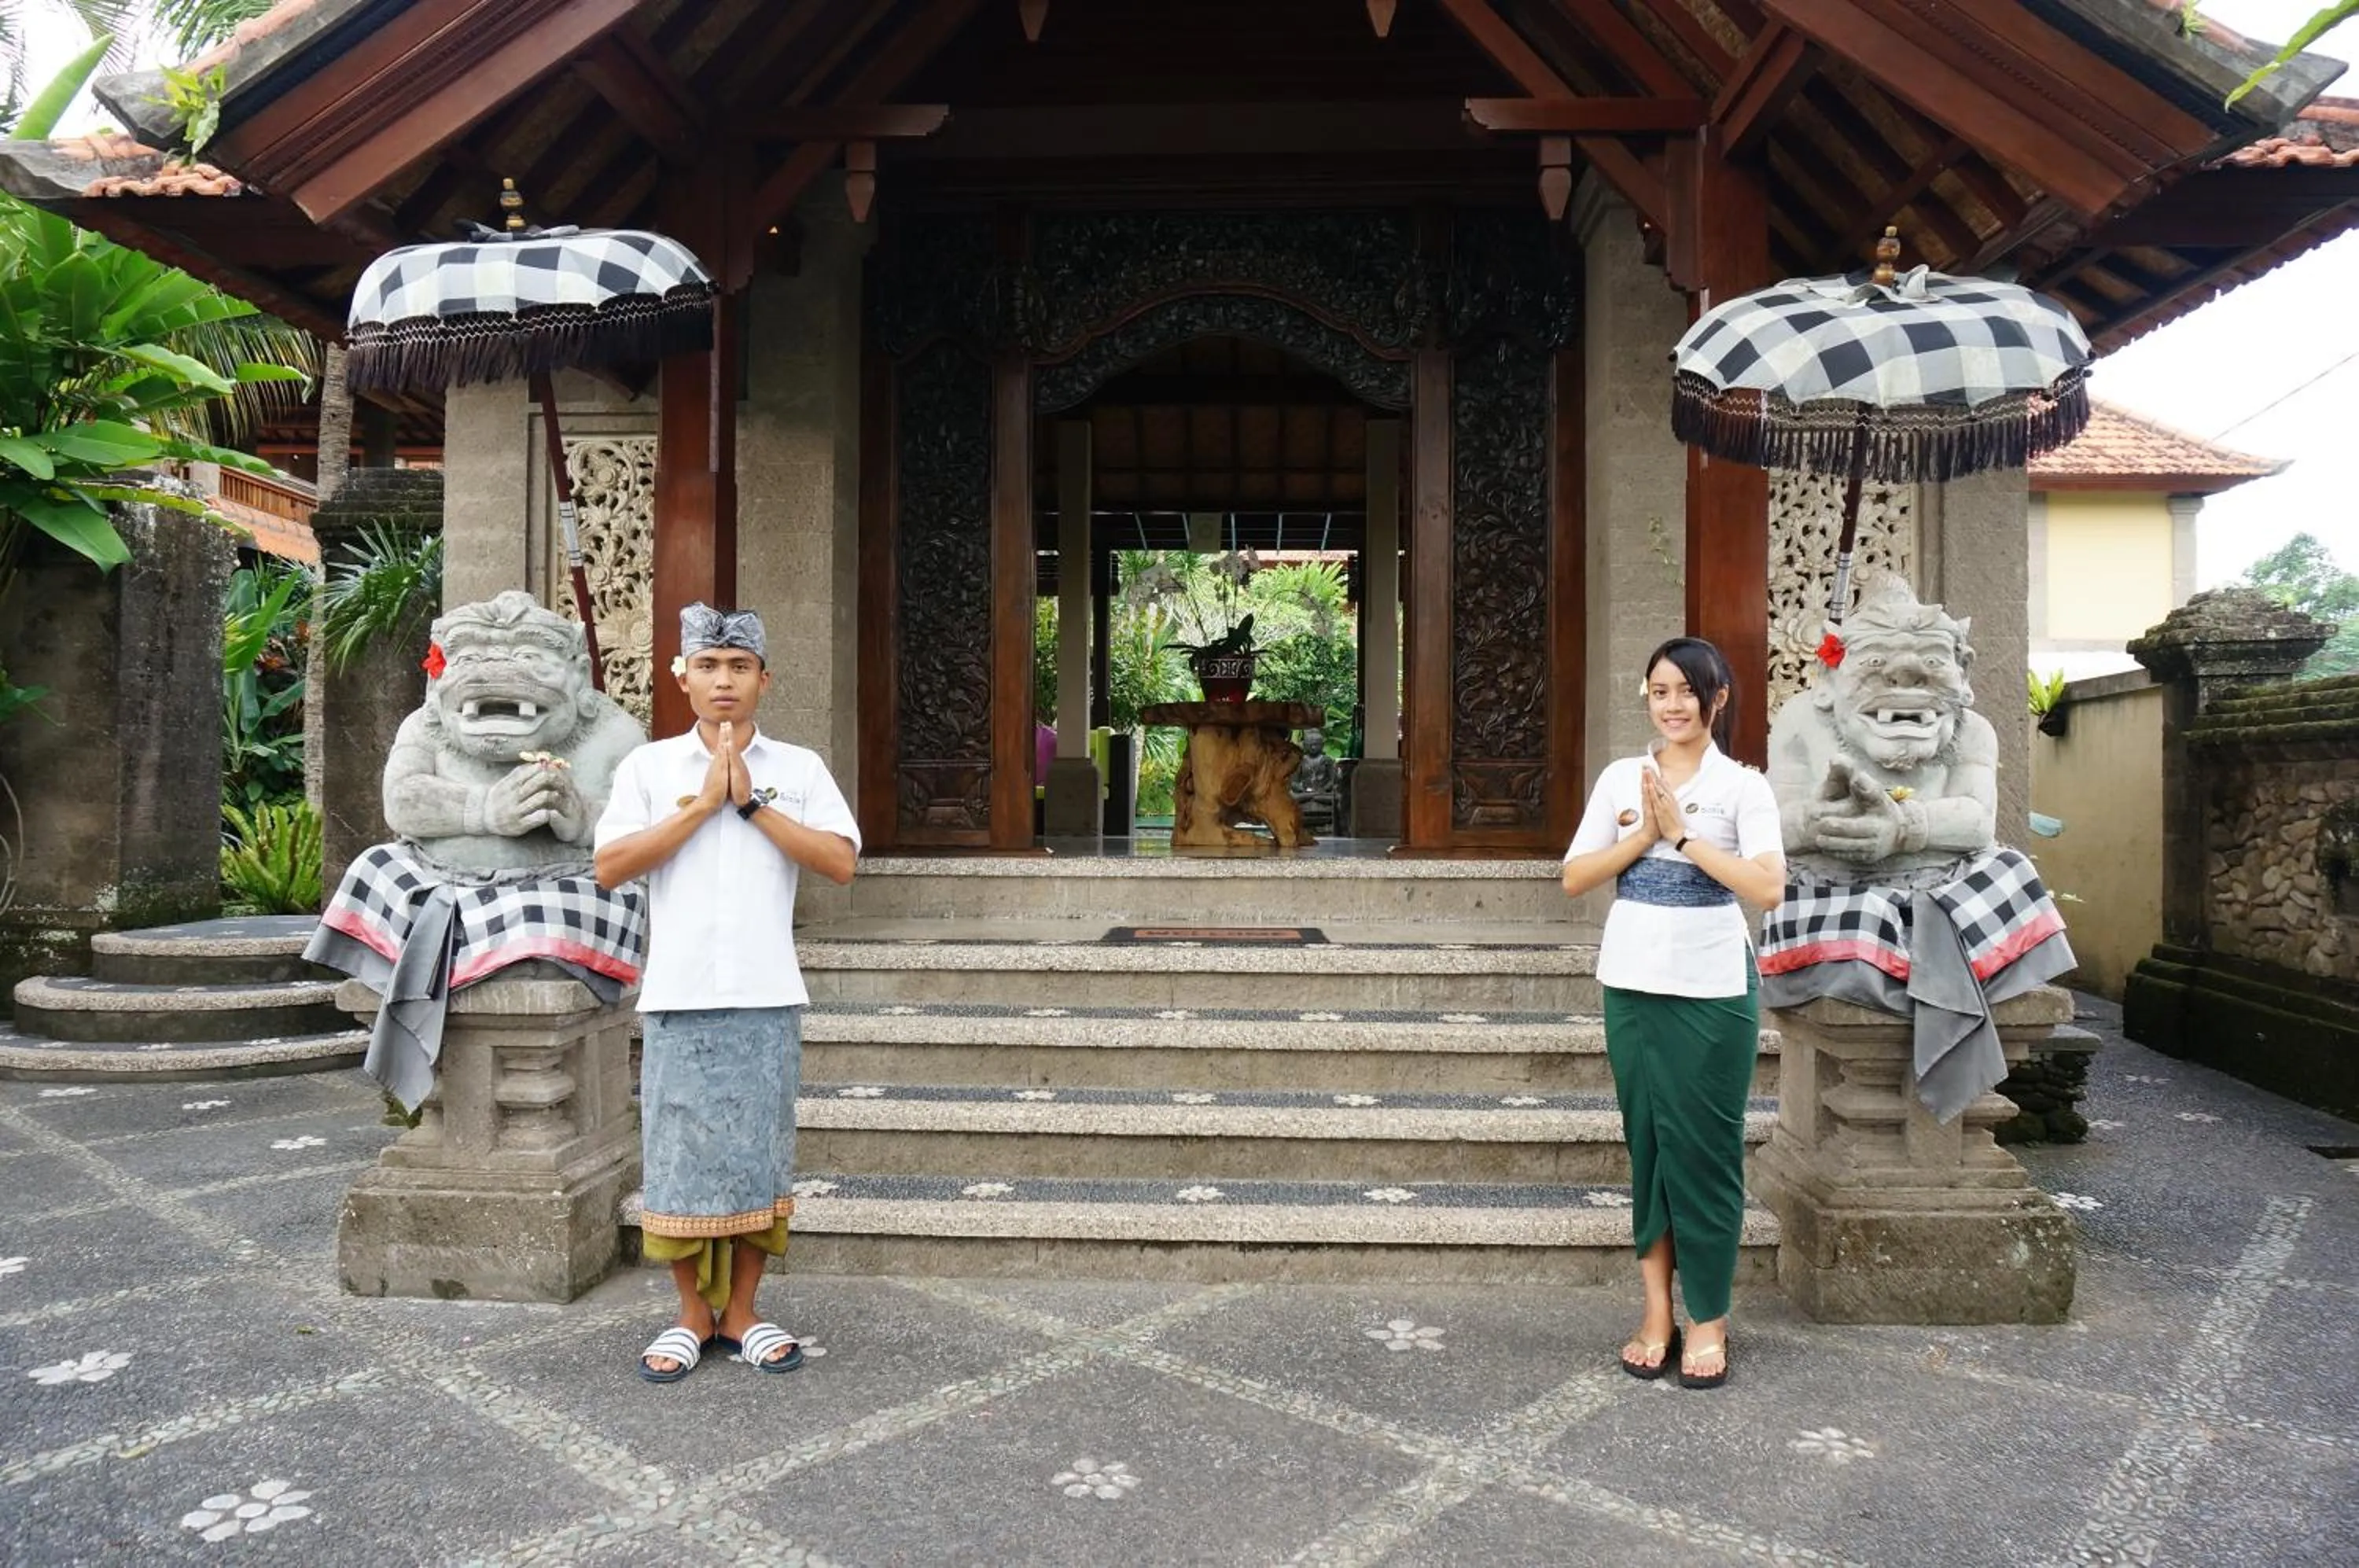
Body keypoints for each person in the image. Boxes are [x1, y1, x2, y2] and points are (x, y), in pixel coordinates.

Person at [594, 604, 860, 1383]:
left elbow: (840, 862)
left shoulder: (800, 767)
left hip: (766, 990)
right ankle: (687, 1315)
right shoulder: (647, 769)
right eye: (708, 665)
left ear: (763, 680)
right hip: (677, 992)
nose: (723, 680)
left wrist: (751, 802)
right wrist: (705, 803)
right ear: (683, 678)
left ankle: (741, 1312)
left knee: (756, 1158)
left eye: (738, 666)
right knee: (679, 1160)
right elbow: (611, 864)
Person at [1559, 637, 1785, 1390]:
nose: (1674, 704)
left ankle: (1711, 1317)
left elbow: (1766, 888)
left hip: (1715, 989)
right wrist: (1643, 835)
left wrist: (1683, 835)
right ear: (1647, 699)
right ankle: (1657, 1310)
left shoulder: (1743, 787)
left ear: (1718, 699)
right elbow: (1575, 877)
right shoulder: (1624, 778)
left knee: (1708, 1152)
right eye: (1660, 691)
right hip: (1631, 982)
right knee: (1650, 1145)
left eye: (1689, 690)